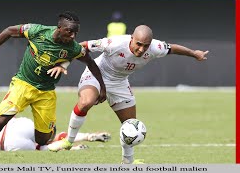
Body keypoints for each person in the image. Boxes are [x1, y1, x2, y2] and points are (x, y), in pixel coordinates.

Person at [0, 11, 106, 164]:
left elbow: (91, 63)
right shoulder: (37, 31)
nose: (73, 36)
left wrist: (102, 87)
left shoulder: (73, 48)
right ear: (59, 27)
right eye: (70, 31)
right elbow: (8, 31)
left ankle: (54, 134)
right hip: (23, 85)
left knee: (43, 138)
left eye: (76, 32)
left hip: (46, 93)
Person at [47, 25, 209, 164]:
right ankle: (68, 141)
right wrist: (65, 62)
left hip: (120, 83)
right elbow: (82, 46)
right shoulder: (115, 43)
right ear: (131, 38)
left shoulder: (155, 47)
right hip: (97, 74)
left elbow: (173, 48)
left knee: (131, 125)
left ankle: (128, 162)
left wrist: (195, 54)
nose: (141, 49)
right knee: (86, 101)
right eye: (138, 44)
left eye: (145, 46)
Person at [0, 110, 111, 151]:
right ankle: (88, 136)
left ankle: (75, 150)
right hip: (18, 125)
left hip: (8, 143)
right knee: (49, 138)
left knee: (44, 148)